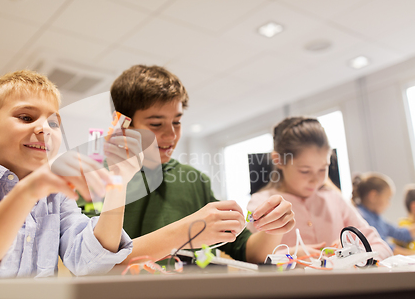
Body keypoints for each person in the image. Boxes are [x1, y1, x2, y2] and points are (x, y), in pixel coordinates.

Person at [0, 70, 141, 283]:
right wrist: (28, 190)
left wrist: (119, 182)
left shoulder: (55, 197)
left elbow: (90, 263)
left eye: (53, 123)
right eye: (26, 117)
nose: (44, 129)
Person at [108, 65, 295, 264]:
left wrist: (273, 228)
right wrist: (186, 232)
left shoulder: (195, 180)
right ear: (123, 125)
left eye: (177, 122)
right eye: (156, 124)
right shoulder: (94, 181)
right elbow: (94, 263)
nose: (171, 135)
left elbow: (249, 253)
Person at [246, 117, 392, 260]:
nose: (315, 180)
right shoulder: (261, 203)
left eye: (323, 169)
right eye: (305, 171)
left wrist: (354, 254)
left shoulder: (335, 199)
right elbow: (250, 258)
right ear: (278, 160)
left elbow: (381, 247)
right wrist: (291, 255)